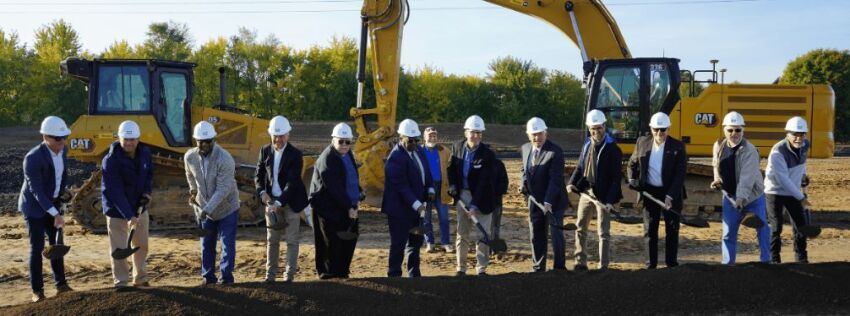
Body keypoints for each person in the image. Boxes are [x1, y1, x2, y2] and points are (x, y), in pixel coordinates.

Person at [19, 116, 74, 302]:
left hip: (53, 203)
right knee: (37, 248)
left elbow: (62, 175)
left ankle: (61, 285)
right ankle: (37, 292)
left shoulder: (62, 150)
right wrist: (55, 214)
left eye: (64, 137)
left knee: (57, 245)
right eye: (58, 138)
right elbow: (37, 192)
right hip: (34, 208)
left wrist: (62, 196)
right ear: (45, 137)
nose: (62, 142)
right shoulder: (32, 159)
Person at [627, 112, 686, 269]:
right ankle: (650, 265)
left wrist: (670, 196)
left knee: (672, 230)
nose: (660, 133)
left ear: (669, 129)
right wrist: (632, 179)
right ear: (651, 129)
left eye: (663, 129)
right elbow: (632, 163)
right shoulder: (642, 142)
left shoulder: (678, 146)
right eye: (656, 130)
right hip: (650, 192)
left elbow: (680, 175)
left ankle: (671, 264)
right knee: (650, 230)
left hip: (671, 193)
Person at [184, 121, 240, 284]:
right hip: (204, 208)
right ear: (196, 141)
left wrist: (207, 209)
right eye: (200, 141)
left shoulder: (225, 158)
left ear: (214, 140)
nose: (204, 144)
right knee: (206, 245)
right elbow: (189, 174)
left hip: (227, 208)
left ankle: (226, 278)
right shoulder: (190, 156)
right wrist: (193, 191)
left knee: (227, 245)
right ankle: (208, 278)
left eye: (207, 141)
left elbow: (223, 189)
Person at [711, 111, 770, 264]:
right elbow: (716, 165)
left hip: (752, 197)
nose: (734, 133)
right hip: (730, 196)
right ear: (724, 130)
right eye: (730, 130)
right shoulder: (718, 145)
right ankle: (728, 265)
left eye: (738, 130)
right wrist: (717, 179)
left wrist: (741, 198)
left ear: (743, 130)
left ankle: (766, 261)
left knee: (762, 229)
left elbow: (747, 178)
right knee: (728, 232)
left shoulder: (749, 150)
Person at [568, 110, 623, 271]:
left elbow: (615, 178)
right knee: (580, 227)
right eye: (593, 128)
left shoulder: (612, 148)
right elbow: (580, 167)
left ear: (604, 126)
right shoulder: (587, 144)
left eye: (599, 128)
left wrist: (609, 201)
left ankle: (603, 265)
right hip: (587, 192)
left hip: (604, 195)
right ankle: (580, 262)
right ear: (589, 128)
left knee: (603, 232)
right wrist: (572, 184)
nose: (596, 131)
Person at [255, 116, 308, 283]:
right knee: (272, 240)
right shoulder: (265, 151)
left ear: (288, 135)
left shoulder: (295, 155)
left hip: (291, 203)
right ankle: (270, 276)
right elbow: (258, 175)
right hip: (271, 203)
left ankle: (289, 277)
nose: (278, 139)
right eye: (275, 136)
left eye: (282, 136)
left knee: (292, 241)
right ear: (270, 135)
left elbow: (292, 184)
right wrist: (262, 192)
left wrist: (278, 203)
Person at [101, 120, 153, 289]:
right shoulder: (110, 160)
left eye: (132, 140)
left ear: (138, 139)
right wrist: (129, 215)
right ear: (119, 138)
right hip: (117, 210)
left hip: (139, 207)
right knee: (119, 248)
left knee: (141, 245)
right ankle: (121, 281)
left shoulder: (145, 153)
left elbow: (149, 175)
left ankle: (140, 278)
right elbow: (114, 191)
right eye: (126, 139)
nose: (129, 143)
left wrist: (146, 193)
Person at [381, 119, 435, 277]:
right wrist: (417, 204)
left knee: (415, 243)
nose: (413, 143)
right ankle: (394, 275)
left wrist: (430, 188)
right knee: (398, 244)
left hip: (416, 209)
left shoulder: (418, 151)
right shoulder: (395, 158)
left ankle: (414, 273)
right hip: (399, 211)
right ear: (400, 138)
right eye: (410, 140)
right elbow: (401, 187)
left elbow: (427, 172)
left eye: (416, 140)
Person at [309, 123, 363, 279]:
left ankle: (342, 272)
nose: (345, 145)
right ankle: (329, 275)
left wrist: (359, 191)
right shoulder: (328, 159)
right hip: (327, 208)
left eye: (348, 142)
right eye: (341, 141)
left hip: (345, 205)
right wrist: (349, 207)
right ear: (333, 140)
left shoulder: (347, 154)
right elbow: (335, 189)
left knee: (349, 238)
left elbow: (351, 176)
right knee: (331, 242)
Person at [448, 115, 498, 276]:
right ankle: (460, 268)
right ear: (466, 132)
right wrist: (453, 185)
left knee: (483, 233)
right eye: (473, 132)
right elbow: (450, 168)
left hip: (482, 198)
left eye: (479, 133)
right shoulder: (456, 147)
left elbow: (485, 182)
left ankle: (481, 268)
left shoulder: (487, 154)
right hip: (462, 195)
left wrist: (475, 205)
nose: (476, 136)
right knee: (462, 233)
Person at [765, 116, 815, 264]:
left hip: (793, 191)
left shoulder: (805, 145)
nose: (798, 138)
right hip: (774, 192)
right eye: (795, 134)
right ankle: (774, 260)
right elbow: (783, 180)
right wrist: (801, 197)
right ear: (787, 134)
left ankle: (801, 259)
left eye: (802, 134)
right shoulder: (777, 152)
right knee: (776, 227)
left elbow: (802, 163)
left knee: (801, 225)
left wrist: (803, 174)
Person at [521, 117, 568, 272]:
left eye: (540, 134)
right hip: (535, 201)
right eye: (534, 134)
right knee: (536, 234)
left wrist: (548, 202)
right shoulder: (525, 148)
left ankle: (559, 268)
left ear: (546, 133)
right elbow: (524, 170)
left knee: (556, 235)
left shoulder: (555, 151)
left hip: (554, 201)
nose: (537, 138)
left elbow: (555, 180)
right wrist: (524, 185)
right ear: (528, 135)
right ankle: (538, 268)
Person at [421, 126, 454, 253]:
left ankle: (446, 243)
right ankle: (429, 242)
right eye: (430, 135)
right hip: (425, 189)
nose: (432, 137)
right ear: (424, 137)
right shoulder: (419, 151)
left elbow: (451, 168)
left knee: (444, 217)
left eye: (434, 135)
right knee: (426, 218)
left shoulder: (444, 150)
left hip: (441, 187)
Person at [491, 157, 508, 254]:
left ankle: (493, 247)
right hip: (482, 201)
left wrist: (494, 192)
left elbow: (504, 183)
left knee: (495, 225)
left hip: (495, 201)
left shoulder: (498, 164)